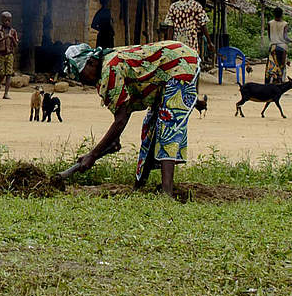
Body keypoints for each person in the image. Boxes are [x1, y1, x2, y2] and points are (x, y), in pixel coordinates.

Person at [61, 21, 200, 200]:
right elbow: (120, 118)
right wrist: (108, 145)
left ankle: (167, 194)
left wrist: (93, 155)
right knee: (150, 126)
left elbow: (121, 119)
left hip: (179, 65)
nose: (82, 81)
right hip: (169, 70)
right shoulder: (106, 69)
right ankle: (140, 185)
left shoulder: (109, 70)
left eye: (81, 75)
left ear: (91, 62)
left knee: (167, 125)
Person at [0, 11, 22, 89]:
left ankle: (6, 93)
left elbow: (16, 45)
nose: (7, 22)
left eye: (9, 20)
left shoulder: (13, 31)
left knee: (9, 74)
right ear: (2, 20)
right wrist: (3, 38)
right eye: (6, 20)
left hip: (10, 54)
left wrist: (12, 38)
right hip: (0, 54)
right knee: (1, 73)